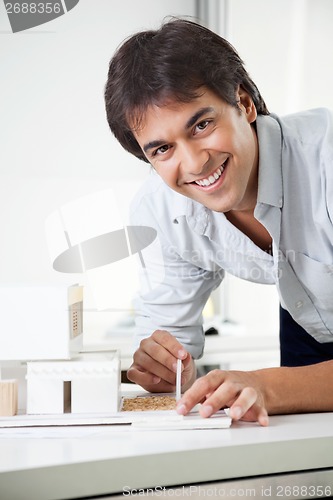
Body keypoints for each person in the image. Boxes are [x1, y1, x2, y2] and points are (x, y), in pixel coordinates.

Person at [104, 18, 333, 426]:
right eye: (161, 149)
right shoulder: (162, 210)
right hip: (310, 321)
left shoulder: (325, 159)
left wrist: (268, 385)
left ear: (244, 103)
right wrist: (167, 368)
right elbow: (170, 346)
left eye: (202, 125)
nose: (193, 163)